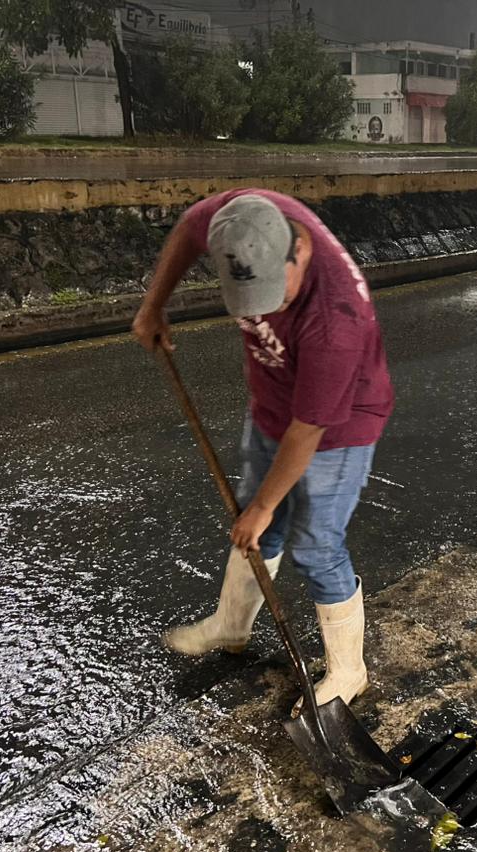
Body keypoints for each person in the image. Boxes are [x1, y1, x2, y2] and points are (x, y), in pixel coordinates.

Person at [132, 189, 394, 711]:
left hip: (339, 425)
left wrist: (263, 505)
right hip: (273, 405)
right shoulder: (243, 219)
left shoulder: (336, 316)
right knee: (256, 526)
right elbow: (188, 227)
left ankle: (348, 671)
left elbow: (309, 429)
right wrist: (153, 305)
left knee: (315, 544)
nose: (266, 309)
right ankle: (232, 626)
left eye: (276, 291)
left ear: (298, 251)